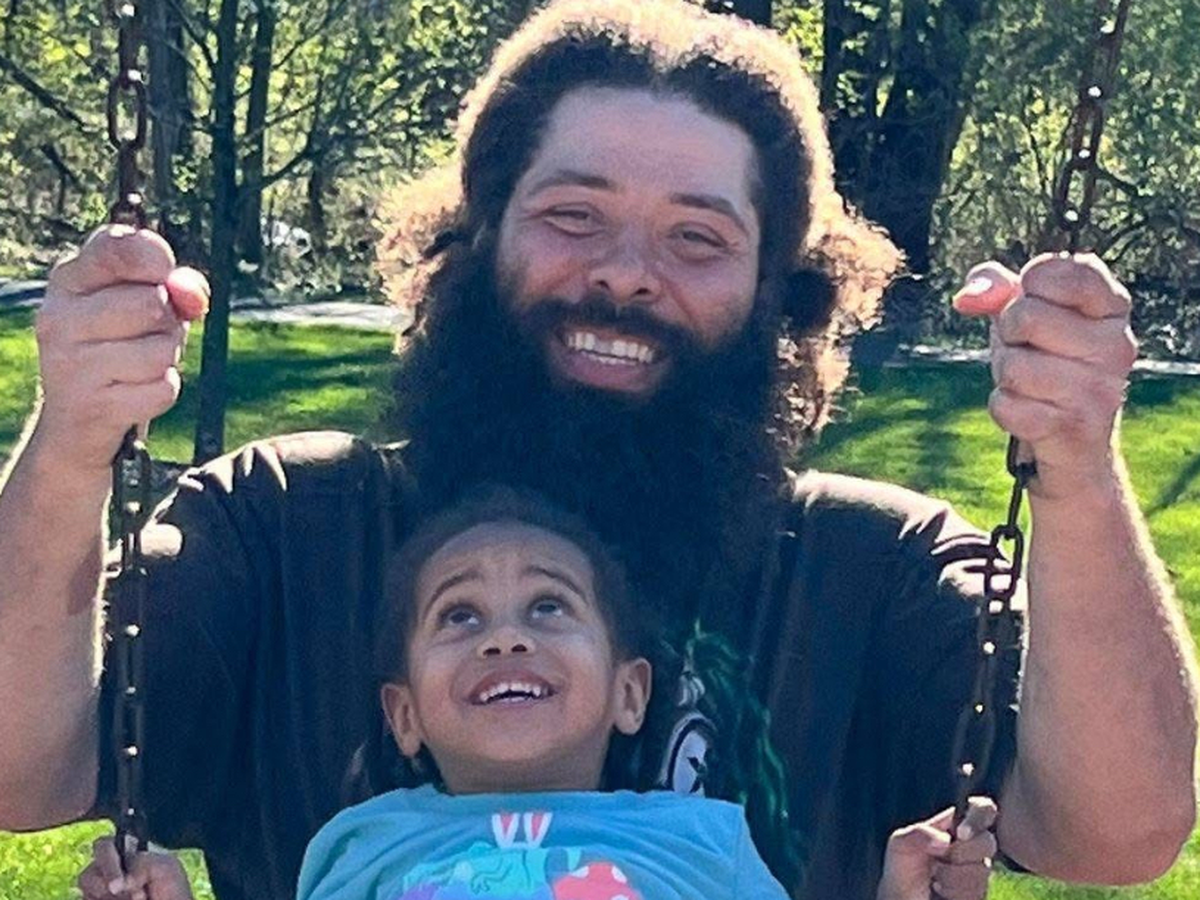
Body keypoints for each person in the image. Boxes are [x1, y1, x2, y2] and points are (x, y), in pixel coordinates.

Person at [0, 1, 1196, 898]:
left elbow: (1120, 833)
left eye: (697, 238)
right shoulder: (286, 525)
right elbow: (22, 773)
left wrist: (1077, 469)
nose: (626, 274)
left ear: (779, 291)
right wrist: (71, 443)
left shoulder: (866, 569)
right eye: (574, 217)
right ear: (475, 237)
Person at [75, 488, 1000, 900]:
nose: (506, 637)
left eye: (549, 607)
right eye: (459, 616)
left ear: (631, 694)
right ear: (403, 716)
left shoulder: (702, 839)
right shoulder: (362, 842)